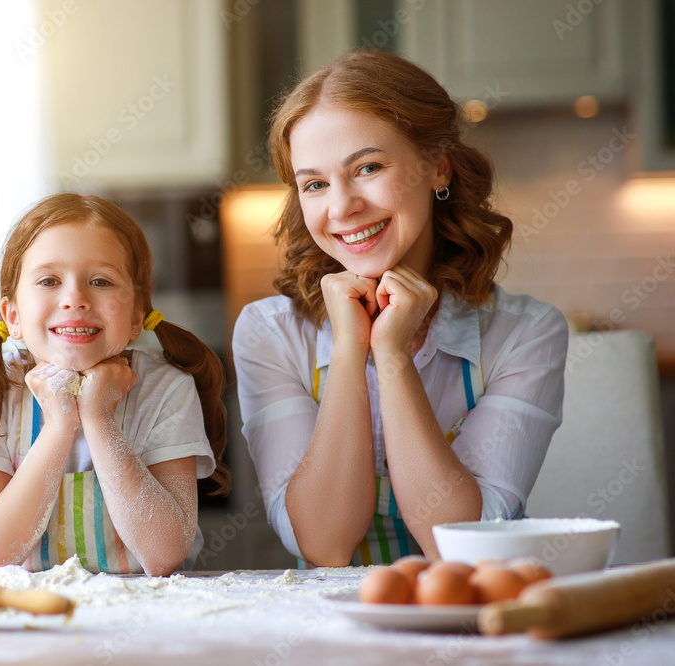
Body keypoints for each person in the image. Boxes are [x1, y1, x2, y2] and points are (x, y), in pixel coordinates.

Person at [233, 50, 568, 567]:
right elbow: (324, 544)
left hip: (481, 628)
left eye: (368, 167)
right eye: (315, 183)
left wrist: (391, 355)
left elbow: (457, 545)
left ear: (438, 166)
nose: (342, 207)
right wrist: (350, 349)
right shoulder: (269, 333)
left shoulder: (526, 333)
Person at [0, 193, 229, 576]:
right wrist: (58, 426)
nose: (75, 299)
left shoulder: (166, 390)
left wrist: (99, 418)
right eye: (49, 280)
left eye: (100, 281)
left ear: (138, 316)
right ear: (13, 316)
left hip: (146, 614)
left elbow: (163, 553)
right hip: (30, 619)